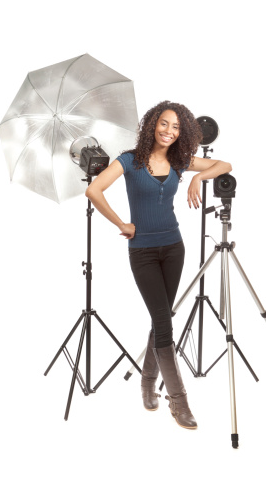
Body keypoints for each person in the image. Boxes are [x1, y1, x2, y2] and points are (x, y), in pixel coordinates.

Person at [85, 100, 232, 429]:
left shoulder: (180, 162)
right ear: (152, 125)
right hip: (144, 252)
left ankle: (147, 383)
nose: (169, 131)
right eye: (164, 124)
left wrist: (198, 178)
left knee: (160, 318)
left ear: (183, 133)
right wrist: (121, 223)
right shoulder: (129, 161)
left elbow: (226, 164)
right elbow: (94, 190)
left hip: (174, 248)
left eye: (177, 127)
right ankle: (178, 401)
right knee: (164, 324)